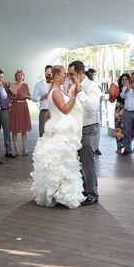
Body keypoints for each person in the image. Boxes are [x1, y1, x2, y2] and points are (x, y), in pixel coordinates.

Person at [31, 65, 85, 208]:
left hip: (58, 125)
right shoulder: (55, 91)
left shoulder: (57, 89)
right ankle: (59, 193)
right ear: (56, 76)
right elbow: (65, 109)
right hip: (59, 128)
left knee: (61, 162)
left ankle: (58, 192)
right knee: (60, 162)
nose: (65, 75)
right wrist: (73, 96)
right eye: (63, 74)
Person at [67, 60, 101, 206]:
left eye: (71, 74)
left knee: (88, 161)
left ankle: (92, 194)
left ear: (81, 73)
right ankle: (83, 190)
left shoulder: (92, 86)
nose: (69, 77)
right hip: (76, 127)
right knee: (78, 161)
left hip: (90, 127)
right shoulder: (72, 86)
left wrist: (80, 92)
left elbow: (93, 107)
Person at [9, 69, 32, 155]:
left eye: (21, 75)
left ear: (23, 76)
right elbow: (10, 98)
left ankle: (24, 148)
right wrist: (17, 97)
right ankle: (16, 147)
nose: (19, 77)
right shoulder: (12, 86)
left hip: (24, 107)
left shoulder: (26, 85)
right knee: (14, 128)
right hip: (15, 106)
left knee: (24, 129)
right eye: (18, 75)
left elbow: (30, 97)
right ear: (16, 76)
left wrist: (25, 95)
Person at [0, 69, 16, 159]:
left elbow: (15, 94)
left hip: (5, 110)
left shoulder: (7, 85)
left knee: (7, 131)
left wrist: (8, 84)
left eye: (1, 77)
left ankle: (9, 151)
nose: (0, 79)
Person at [109, 74, 129, 153]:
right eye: (122, 79)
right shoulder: (117, 89)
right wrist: (110, 94)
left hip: (128, 110)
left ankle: (127, 148)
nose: (124, 81)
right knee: (118, 129)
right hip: (118, 111)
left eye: (126, 79)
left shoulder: (131, 89)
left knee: (128, 129)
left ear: (128, 80)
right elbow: (111, 101)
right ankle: (119, 148)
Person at [32, 65, 53, 138]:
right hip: (44, 112)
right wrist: (42, 97)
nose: (49, 73)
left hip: (55, 112)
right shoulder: (39, 84)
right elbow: (34, 98)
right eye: (47, 72)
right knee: (43, 134)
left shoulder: (57, 84)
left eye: (50, 72)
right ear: (44, 73)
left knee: (54, 134)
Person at [86, 68, 103, 155]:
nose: (93, 76)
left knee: (98, 129)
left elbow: (101, 96)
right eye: (92, 74)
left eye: (94, 74)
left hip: (98, 108)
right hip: (89, 112)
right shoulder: (87, 85)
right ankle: (92, 147)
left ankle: (96, 146)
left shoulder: (97, 84)